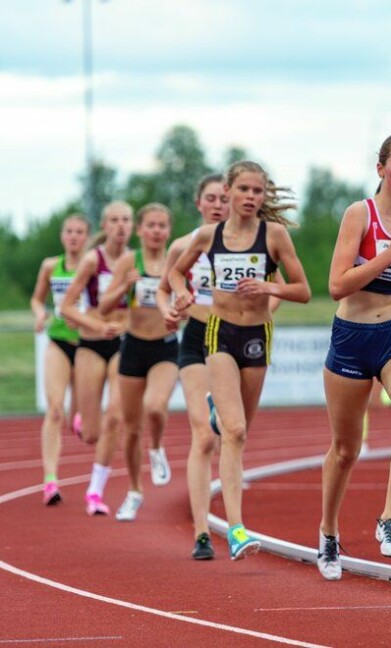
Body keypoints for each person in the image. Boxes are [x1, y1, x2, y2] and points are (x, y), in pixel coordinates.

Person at [167, 160, 311, 561]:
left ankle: (219, 411)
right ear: (228, 191)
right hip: (220, 332)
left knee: (241, 427)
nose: (250, 197)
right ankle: (235, 528)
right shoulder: (208, 236)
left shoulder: (274, 235)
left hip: (257, 336)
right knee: (235, 431)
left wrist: (267, 286)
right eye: (244, 189)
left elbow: (303, 290)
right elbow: (176, 274)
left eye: (257, 191)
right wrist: (182, 293)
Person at [317, 133, 391, 580]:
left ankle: (388, 518)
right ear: (381, 168)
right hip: (353, 335)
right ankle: (328, 532)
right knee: (345, 449)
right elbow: (337, 285)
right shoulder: (359, 215)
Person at [157, 174, 228, 558]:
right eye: (211, 198)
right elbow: (165, 288)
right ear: (199, 203)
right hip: (197, 339)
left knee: (231, 435)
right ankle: (202, 532)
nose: (218, 205)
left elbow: (279, 287)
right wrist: (171, 309)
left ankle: (234, 520)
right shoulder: (183, 246)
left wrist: (262, 312)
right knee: (202, 436)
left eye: (224, 198)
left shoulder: (251, 244)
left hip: (234, 340)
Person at [98, 203, 178, 521]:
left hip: (165, 347)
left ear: (169, 230)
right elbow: (103, 307)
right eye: (151, 225)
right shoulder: (129, 262)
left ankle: (156, 447)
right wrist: (123, 286)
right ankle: (134, 491)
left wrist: (181, 309)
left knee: (155, 407)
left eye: (162, 225)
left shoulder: (176, 259)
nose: (157, 231)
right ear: (141, 230)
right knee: (130, 428)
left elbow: (191, 299)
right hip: (132, 347)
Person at [60, 201, 133, 516]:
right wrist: (96, 325)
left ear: (132, 226)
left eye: (126, 220)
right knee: (91, 433)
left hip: (123, 344)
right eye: (114, 220)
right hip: (91, 344)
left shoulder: (136, 261)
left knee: (115, 416)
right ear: (105, 226)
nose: (120, 225)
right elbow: (66, 306)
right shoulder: (93, 259)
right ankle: (81, 421)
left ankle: (95, 491)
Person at [29, 214, 90, 505]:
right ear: (62, 235)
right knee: (54, 410)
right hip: (59, 342)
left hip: (88, 345)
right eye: (69, 231)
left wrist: (88, 318)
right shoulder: (50, 266)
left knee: (81, 418)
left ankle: (80, 419)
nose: (74, 236)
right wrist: (40, 313)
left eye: (79, 232)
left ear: (87, 236)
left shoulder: (93, 265)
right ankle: (50, 480)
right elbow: (37, 298)